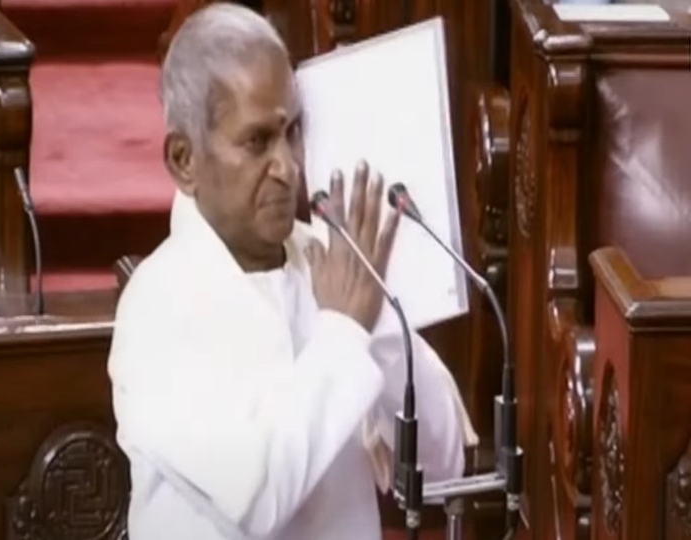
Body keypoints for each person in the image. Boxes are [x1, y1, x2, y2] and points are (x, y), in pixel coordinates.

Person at [108, 3, 477, 539]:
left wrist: (378, 329)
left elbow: (444, 465)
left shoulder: (332, 263)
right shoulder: (156, 305)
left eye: (294, 132)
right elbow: (258, 500)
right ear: (184, 160)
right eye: (257, 141)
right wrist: (346, 330)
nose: (287, 166)